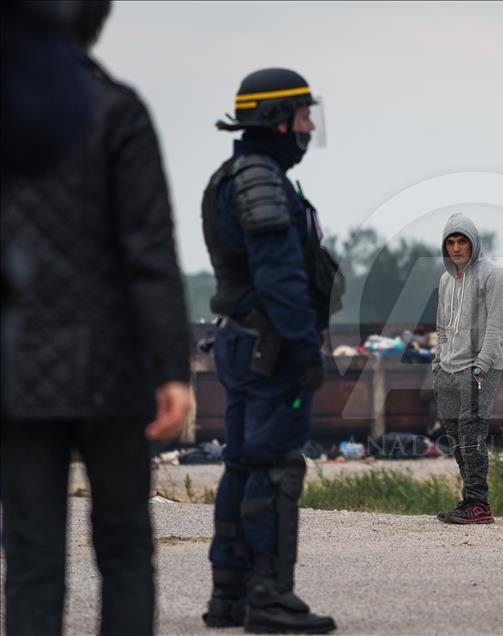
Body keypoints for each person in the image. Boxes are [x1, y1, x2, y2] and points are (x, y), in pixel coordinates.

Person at [0, 2, 192, 634]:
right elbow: (150, 254)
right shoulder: (119, 110)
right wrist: (172, 369)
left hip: (18, 369)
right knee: (125, 549)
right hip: (114, 366)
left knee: (31, 561)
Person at [200, 67, 337, 634]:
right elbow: (280, 277)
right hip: (270, 349)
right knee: (276, 467)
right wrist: (307, 351)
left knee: (241, 463)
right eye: (303, 117)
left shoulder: (238, 174)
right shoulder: (260, 180)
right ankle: (269, 596)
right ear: (276, 119)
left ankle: (229, 595)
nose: (308, 127)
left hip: (242, 342)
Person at [433, 213, 503, 524]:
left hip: (479, 369)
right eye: (450, 242)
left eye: (461, 241)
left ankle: (479, 504)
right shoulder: (445, 280)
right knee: (455, 437)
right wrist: (439, 360)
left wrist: (481, 367)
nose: (456, 248)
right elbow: (441, 326)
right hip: (447, 369)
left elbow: (497, 328)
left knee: (471, 434)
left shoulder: (495, 276)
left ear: (473, 242)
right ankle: (470, 499)